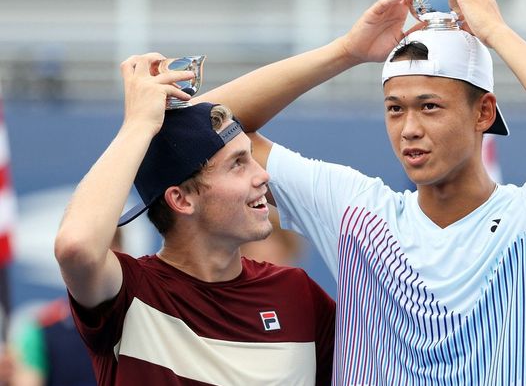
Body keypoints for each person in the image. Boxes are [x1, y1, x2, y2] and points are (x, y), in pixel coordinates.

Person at [197, 0, 526, 383]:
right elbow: (200, 127)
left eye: (429, 107)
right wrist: (347, 51)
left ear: (484, 113)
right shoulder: (357, 212)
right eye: (395, 109)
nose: (408, 128)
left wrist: (496, 31)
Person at [53, 55, 335, 385]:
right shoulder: (130, 295)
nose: (263, 175)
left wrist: (347, 50)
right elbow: (76, 247)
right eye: (238, 164)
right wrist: (139, 124)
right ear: (181, 199)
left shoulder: (297, 293)